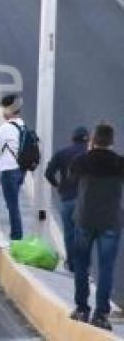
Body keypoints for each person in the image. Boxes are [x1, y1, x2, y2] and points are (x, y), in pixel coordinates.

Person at [69, 123, 122, 331]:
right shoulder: (119, 163)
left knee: (82, 265)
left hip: (84, 219)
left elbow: (71, 181)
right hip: (110, 221)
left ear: (93, 139)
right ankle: (101, 314)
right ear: (112, 141)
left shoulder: (81, 160)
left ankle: (82, 309)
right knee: (106, 268)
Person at [44, 126, 89, 271]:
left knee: (69, 233)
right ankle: (82, 264)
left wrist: (57, 186)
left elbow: (48, 173)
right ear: (87, 139)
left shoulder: (62, 153)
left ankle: (71, 264)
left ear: (72, 139)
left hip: (68, 198)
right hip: (86, 200)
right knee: (82, 233)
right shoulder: (91, 155)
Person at [0, 95, 25, 241]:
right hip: (20, 170)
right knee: (14, 203)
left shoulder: (5, 127)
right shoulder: (22, 125)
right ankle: (16, 234)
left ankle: (16, 236)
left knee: (12, 206)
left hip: (8, 170)